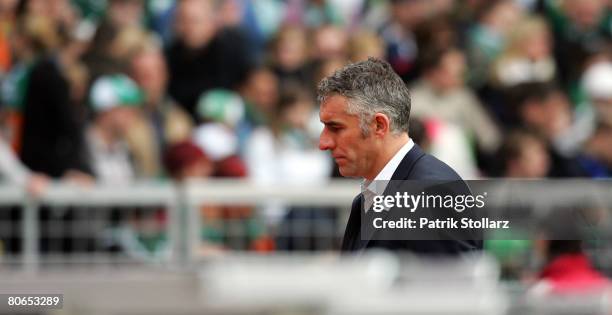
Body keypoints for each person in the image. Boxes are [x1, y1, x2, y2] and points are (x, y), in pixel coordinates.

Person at [317, 57, 482, 253]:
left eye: (336, 128)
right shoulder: (371, 196)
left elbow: (452, 283)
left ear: (379, 125)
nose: (323, 143)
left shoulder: (430, 194)